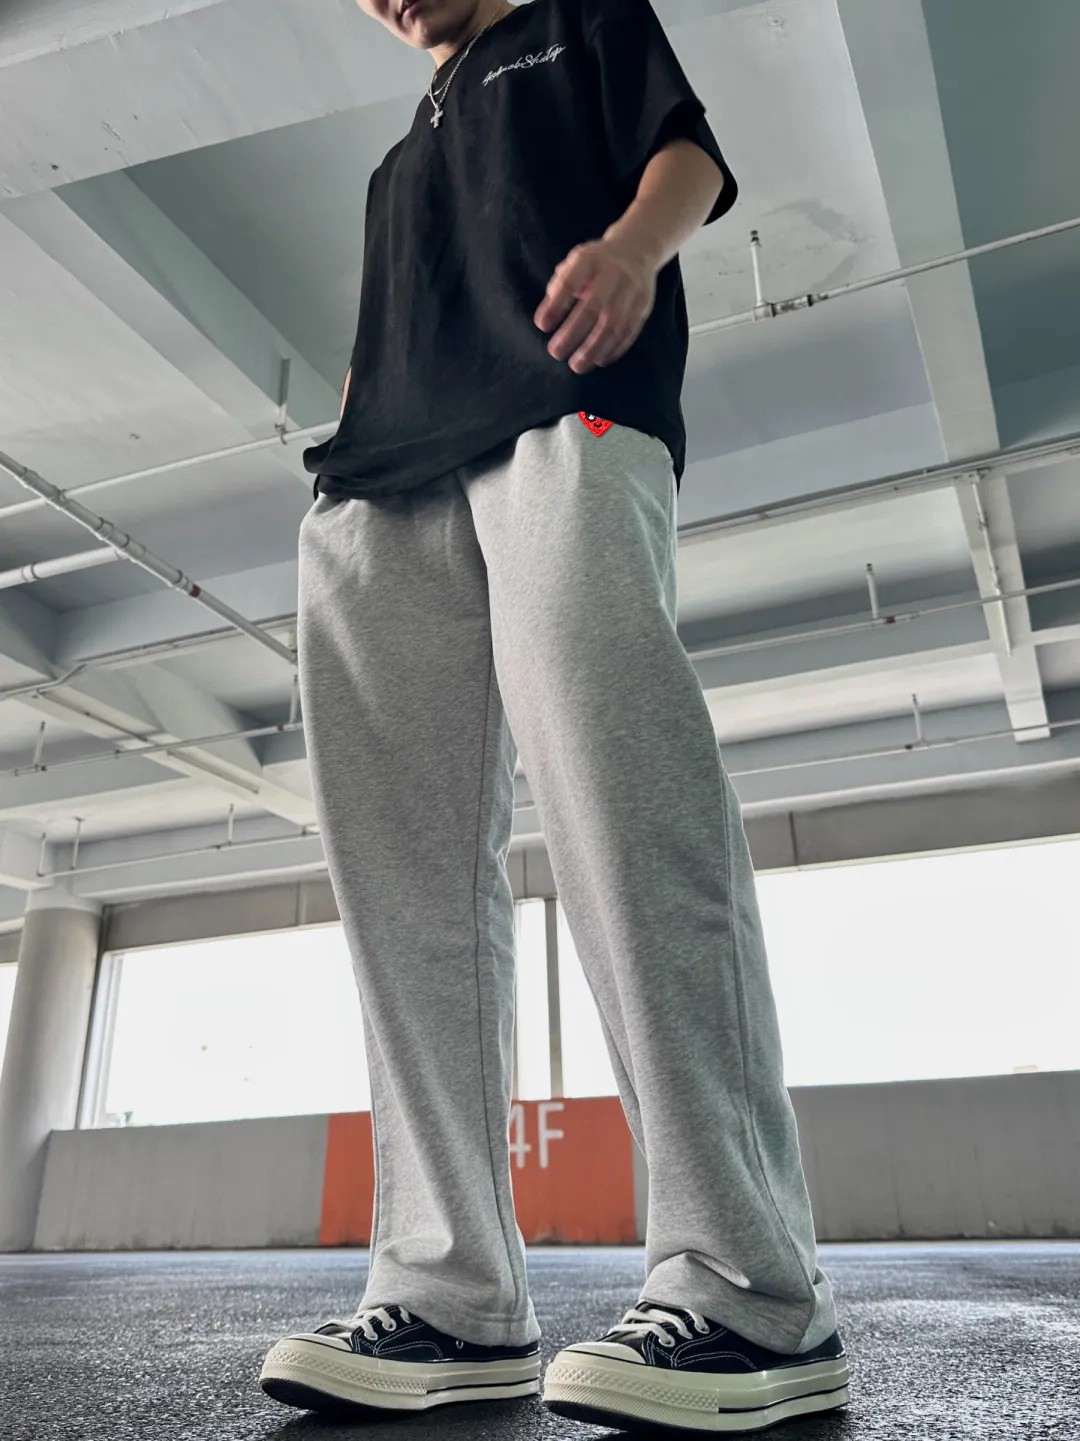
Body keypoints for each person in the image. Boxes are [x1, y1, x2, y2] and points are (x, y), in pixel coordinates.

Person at [259, 0, 851, 1432]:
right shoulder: (397, 164)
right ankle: (449, 1292)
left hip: (563, 416)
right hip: (381, 483)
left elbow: (688, 154)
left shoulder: (577, 21)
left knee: (620, 807)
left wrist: (636, 249)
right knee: (399, 880)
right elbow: (390, 324)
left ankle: (752, 1289)